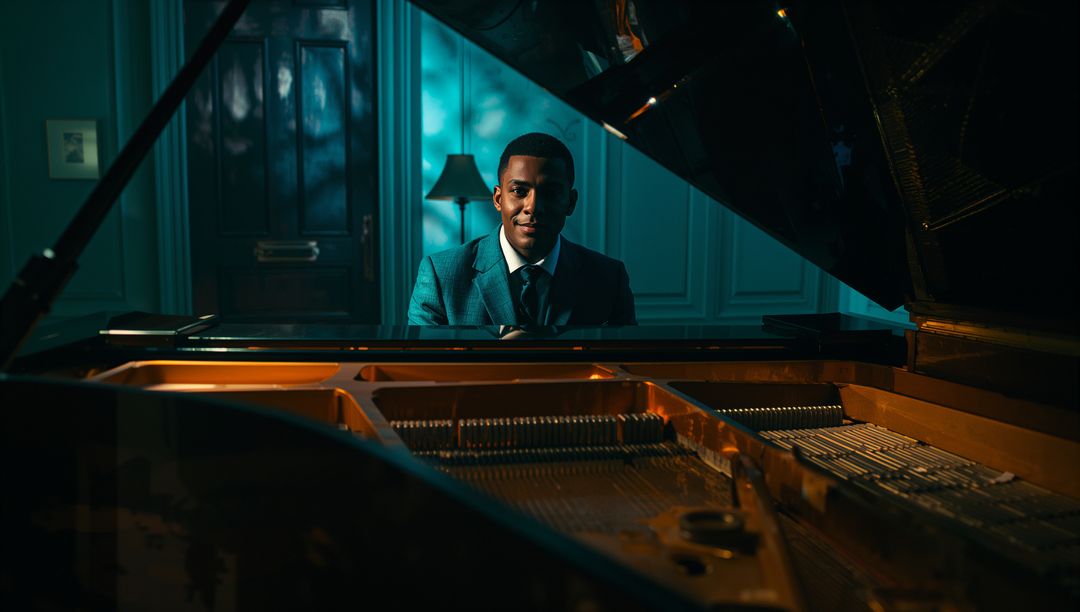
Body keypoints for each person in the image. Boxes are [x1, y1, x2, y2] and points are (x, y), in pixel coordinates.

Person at [408, 132, 636, 326]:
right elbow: (425, 369)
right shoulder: (441, 276)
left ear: (571, 202)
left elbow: (625, 367)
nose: (533, 207)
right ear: (498, 199)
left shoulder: (608, 278)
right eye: (519, 191)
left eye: (551, 193)